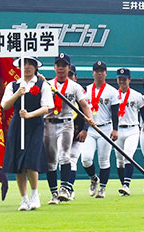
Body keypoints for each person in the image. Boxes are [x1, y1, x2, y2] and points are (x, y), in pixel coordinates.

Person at [0, 57, 53, 211]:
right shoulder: (13, 85)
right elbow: (4, 105)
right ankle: (23, 199)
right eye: (24, 64)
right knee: (19, 163)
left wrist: (30, 115)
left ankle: (35, 194)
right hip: (18, 125)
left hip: (35, 125)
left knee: (31, 160)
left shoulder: (42, 85)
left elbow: (46, 107)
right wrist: (18, 94)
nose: (27, 67)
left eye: (30, 64)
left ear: (36, 67)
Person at [44, 54, 94, 204]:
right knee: (50, 161)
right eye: (58, 65)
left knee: (65, 156)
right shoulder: (46, 84)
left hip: (66, 123)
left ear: (69, 68)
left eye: (64, 65)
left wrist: (89, 118)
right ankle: (54, 193)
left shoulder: (75, 87)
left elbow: (84, 106)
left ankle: (65, 189)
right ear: (54, 67)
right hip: (49, 122)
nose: (60, 68)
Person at [81, 61, 119, 199]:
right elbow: (82, 111)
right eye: (97, 71)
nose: (99, 73)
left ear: (106, 73)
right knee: (86, 159)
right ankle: (93, 178)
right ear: (93, 73)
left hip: (105, 127)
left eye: (102, 71)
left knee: (104, 160)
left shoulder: (112, 91)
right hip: (90, 129)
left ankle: (102, 188)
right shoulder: (86, 90)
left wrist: (115, 129)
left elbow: (115, 112)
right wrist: (84, 129)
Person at [114, 67, 144, 196]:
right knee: (119, 161)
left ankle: (126, 185)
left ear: (129, 79)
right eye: (120, 79)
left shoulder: (137, 96)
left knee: (128, 156)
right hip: (118, 130)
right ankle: (123, 186)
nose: (122, 82)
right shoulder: (114, 95)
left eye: (124, 79)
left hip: (132, 129)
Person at [65, 65, 86, 200]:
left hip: (78, 131)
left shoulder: (80, 93)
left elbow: (86, 112)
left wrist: (85, 129)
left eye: (71, 75)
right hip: (62, 130)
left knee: (72, 158)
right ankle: (63, 188)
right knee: (61, 160)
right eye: (68, 75)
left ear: (75, 77)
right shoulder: (58, 90)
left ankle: (69, 189)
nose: (69, 78)